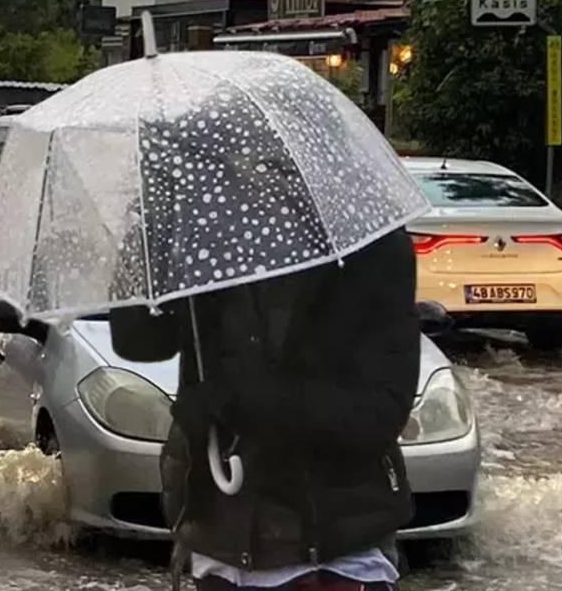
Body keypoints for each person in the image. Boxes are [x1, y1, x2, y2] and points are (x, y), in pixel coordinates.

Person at [109, 228, 419, 591]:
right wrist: (152, 240)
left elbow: (380, 412)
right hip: (221, 539)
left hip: (333, 553)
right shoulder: (204, 232)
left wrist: (243, 403)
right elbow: (139, 341)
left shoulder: (369, 241)